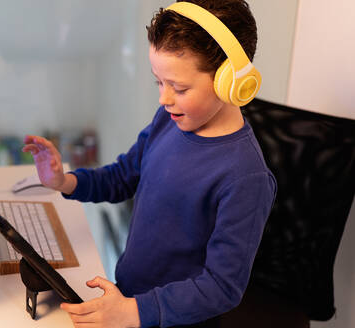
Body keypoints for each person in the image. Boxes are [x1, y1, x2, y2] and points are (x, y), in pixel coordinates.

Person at [22, 1, 276, 327]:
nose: (164, 99)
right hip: (128, 297)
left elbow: (223, 287)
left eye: (179, 88)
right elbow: (124, 175)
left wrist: (136, 313)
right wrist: (65, 182)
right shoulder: (171, 119)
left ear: (232, 83)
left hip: (172, 318)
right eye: (160, 82)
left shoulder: (245, 176)